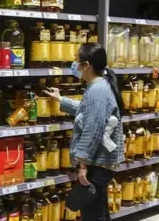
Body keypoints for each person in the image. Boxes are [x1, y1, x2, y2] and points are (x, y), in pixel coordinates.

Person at [44, 43, 125, 221]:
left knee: (92, 215)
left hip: (97, 162)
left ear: (86, 65)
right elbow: (87, 110)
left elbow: (92, 129)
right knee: (99, 212)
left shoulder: (97, 90)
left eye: (76, 60)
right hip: (101, 161)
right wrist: (61, 99)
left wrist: (83, 165)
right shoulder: (99, 85)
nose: (74, 64)